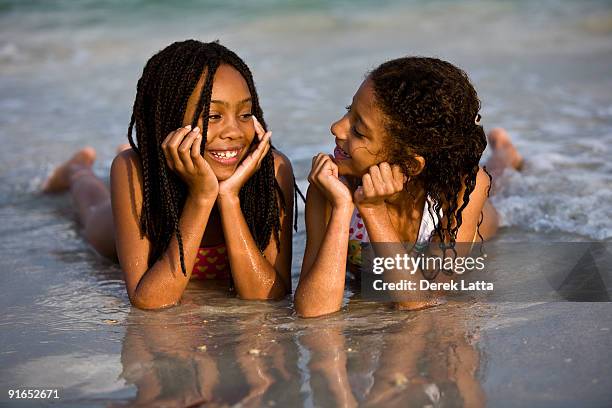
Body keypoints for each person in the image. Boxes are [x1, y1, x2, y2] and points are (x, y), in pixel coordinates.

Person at [43, 40, 294, 309]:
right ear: (171, 119)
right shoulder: (135, 171)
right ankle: (77, 170)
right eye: (213, 116)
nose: (234, 131)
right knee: (92, 210)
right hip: (122, 228)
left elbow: (268, 294)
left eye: (245, 114)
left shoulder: (273, 171)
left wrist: (229, 197)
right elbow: (150, 300)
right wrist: (201, 195)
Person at [295, 57, 523, 317]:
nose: (336, 127)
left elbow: (422, 301)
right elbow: (311, 310)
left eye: (358, 130)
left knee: (496, 183)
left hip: (479, 217)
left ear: (411, 166)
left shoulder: (461, 191)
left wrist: (373, 210)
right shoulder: (330, 186)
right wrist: (342, 207)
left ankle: (505, 154)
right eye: (349, 110)